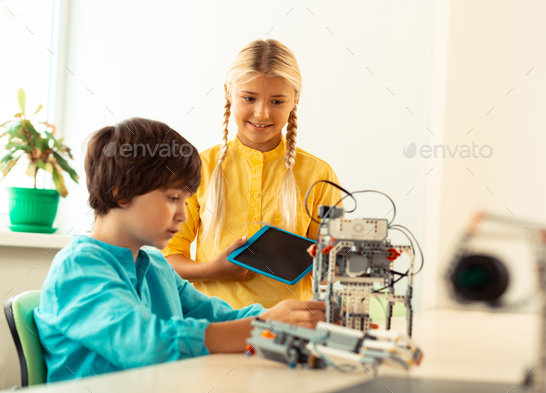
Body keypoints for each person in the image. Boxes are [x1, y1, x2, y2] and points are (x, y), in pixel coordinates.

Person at [33, 118, 326, 382]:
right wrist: (265, 324)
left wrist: (289, 316)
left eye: (185, 201)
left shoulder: (155, 267)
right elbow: (149, 345)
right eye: (173, 198)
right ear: (120, 191)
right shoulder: (78, 268)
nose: (183, 215)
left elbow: (217, 316)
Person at [162, 39, 342, 309]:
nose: (262, 112)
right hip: (211, 324)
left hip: (287, 328)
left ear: (295, 99)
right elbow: (165, 259)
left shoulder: (319, 174)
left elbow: (333, 265)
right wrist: (212, 270)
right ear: (228, 93)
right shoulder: (197, 168)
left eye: (277, 101)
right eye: (249, 98)